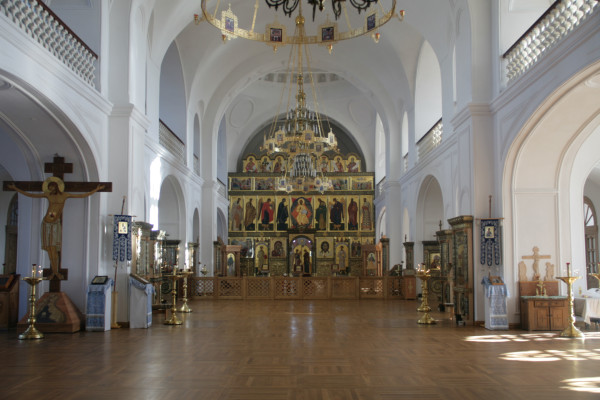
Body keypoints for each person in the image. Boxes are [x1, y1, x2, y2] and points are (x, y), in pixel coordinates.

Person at [9, 177, 105, 280]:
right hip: (46, 223)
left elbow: (81, 195)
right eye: (49, 188)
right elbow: (32, 195)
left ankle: (56, 272)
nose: (50, 189)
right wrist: (16, 189)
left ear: (56, 187)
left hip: (55, 224)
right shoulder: (48, 195)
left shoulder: (65, 195)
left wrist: (96, 189)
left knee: (54, 249)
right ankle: (54, 272)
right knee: (49, 249)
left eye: (52, 187)